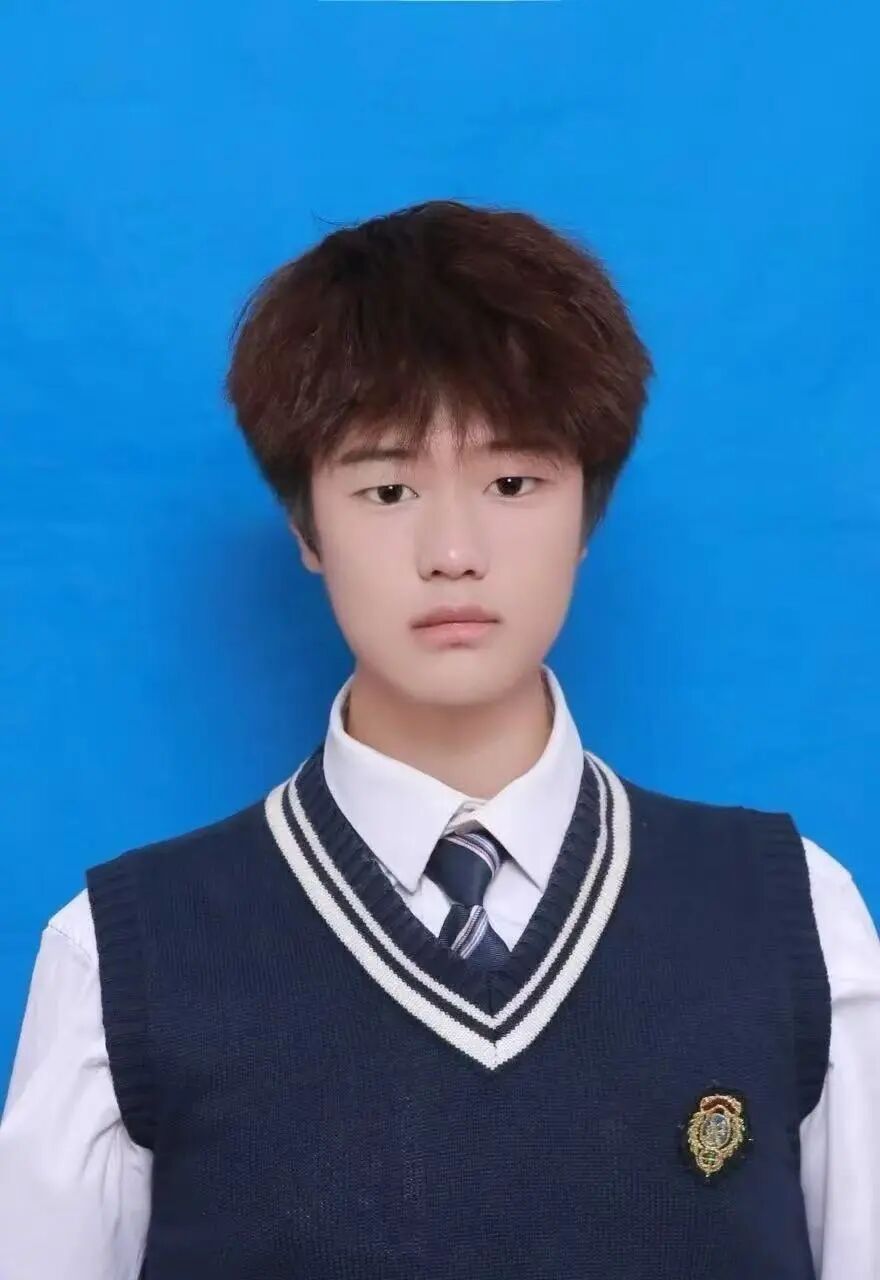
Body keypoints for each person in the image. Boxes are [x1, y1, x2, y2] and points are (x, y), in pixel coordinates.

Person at [1, 198, 878, 1280]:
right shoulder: (121, 955)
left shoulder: (794, 917)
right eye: (387, 487)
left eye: (512, 483)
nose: (452, 550)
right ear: (305, 525)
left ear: (586, 512)